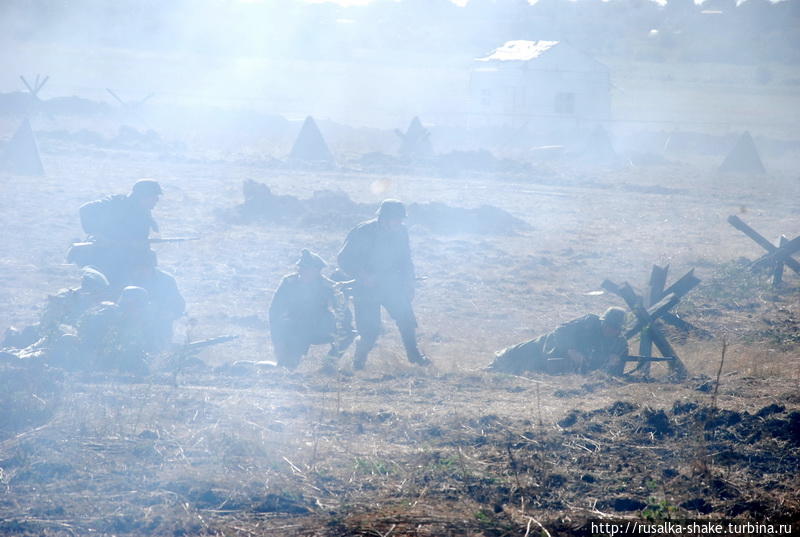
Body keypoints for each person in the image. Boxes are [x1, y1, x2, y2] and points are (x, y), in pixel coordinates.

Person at [337, 199, 430, 370]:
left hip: (392, 285)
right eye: (396, 219)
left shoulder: (401, 232)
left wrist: (409, 282)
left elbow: (406, 259)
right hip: (366, 288)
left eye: (401, 219)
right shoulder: (363, 231)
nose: (399, 223)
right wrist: (363, 275)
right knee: (370, 331)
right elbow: (343, 259)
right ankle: (359, 361)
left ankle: (414, 355)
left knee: (406, 319)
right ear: (384, 218)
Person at [269, 249, 354, 369]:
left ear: (316, 271)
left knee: (348, 333)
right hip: (295, 326)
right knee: (287, 363)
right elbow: (274, 311)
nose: (301, 271)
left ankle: (329, 364)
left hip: (319, 327)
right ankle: (288, 363)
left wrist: (342, 328)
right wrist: (278, 341)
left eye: (305, 269)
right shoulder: (289, 283)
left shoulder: (327, 286)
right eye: (300, 268)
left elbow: (343, 313)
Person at [68, 179, 162, 286]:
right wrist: (97, 234)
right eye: (154, 197)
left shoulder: (144, 212)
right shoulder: (117, 203)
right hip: (107, 257)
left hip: (129, 258)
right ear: (143, 196)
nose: (157, 200)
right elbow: (85, 209)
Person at [487, 307, 629, 376]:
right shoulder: (590, 322)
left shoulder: (619, 345)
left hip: (560, 366)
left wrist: (612, 362)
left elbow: (613, 375)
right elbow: (560, 331)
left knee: (532, 369)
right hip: (549, 347)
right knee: (509, 357)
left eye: (615, 328)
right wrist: (571, 349)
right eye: (608, 326)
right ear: (603, 322)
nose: (610, 330)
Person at [2, 266, 111, 350]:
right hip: (53, 333)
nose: (99, 296)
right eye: (97, 292)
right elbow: (50, 322)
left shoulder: (93, 304)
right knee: (30, 338)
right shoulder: (67, 297)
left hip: (66, 336)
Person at [74, 286, 156, 374]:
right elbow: (96, 344)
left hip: (103, 359)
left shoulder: (125, 318)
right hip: (95, 359)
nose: (141, 310)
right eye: (140, 306)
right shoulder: (111, 316)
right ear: (132, 303)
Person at [126, 250, 185, 349]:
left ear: (152, 266)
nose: (142, 271)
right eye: (138, 267)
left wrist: (171, 313)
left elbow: (178, 304)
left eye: (145, 267)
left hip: (161, 326)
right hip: (135, 327)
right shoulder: (129, 281)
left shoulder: (166, 280)